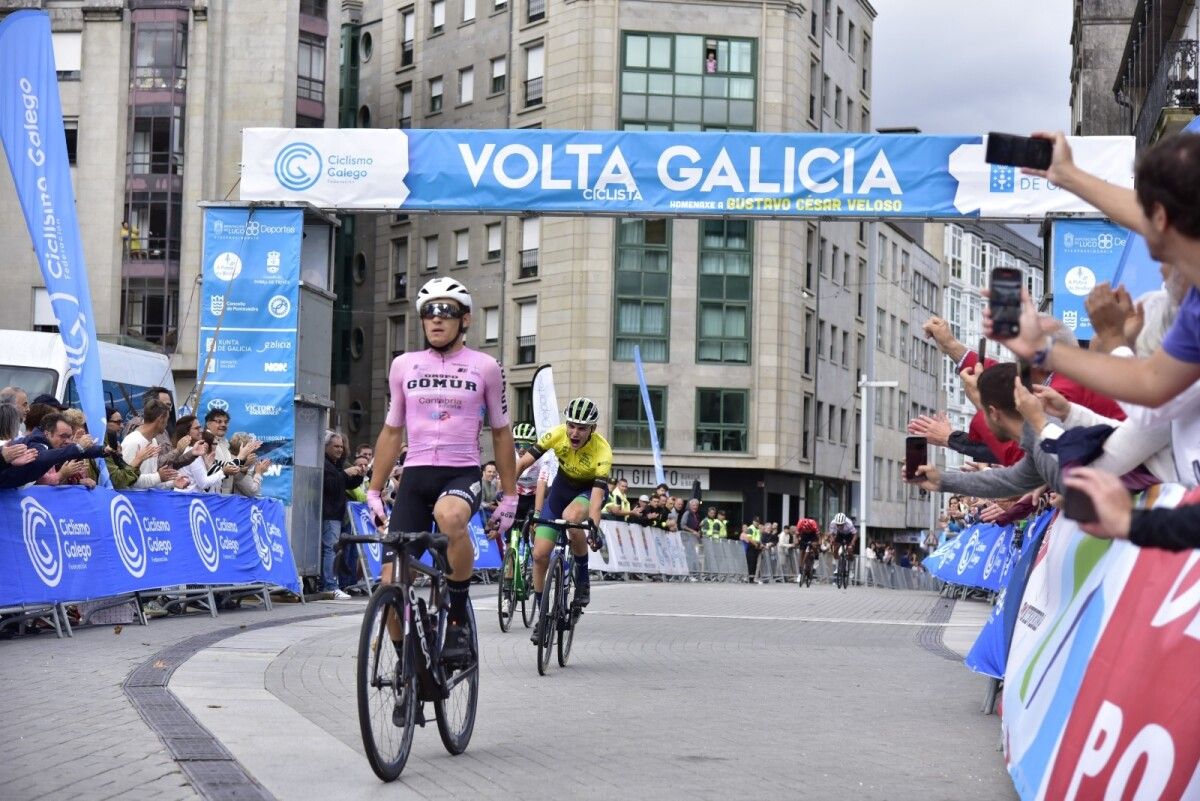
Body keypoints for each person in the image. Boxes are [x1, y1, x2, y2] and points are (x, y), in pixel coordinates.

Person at [364, 277, 517, 664]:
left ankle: (459, 615)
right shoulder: (404, 365)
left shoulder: (486, 367)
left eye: (446, 311)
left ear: (465, 320)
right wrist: (373, 489)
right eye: (428, 312)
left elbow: (500, 433)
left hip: (460, 472)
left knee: (448, 516)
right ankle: (407, 665)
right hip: (415, 476)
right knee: (389, 587)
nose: (436, 319)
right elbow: (391, 430)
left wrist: (511, 495)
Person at [514, 397, 611, 643]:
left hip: (588, 491)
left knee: (571, 518)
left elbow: (598, 497)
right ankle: (543, 616)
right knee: (539, 554)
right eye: (571, 425)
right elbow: (524, 462)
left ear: (592, 429)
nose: (574, 432)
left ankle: (582, 576)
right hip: (562, 488)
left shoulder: (602, 449)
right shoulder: (557, 434)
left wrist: (594, 527)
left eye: (581, 427)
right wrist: (506, 491)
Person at [322, 431, 363, 600]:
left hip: (337, 513)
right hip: (329, 513)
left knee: (334, 550)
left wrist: (359, 476)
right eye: (336, 446)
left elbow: (345, 484)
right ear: (326, 447)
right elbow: (330, 484)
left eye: (341, 446)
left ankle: (332, 583)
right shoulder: (324, 463)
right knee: (330, 549)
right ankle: (329, 585)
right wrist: (346, 474)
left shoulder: (336, 463)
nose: (340, 449)